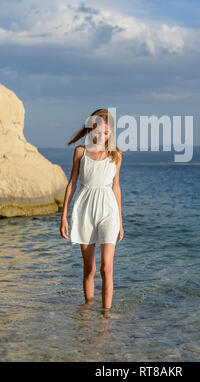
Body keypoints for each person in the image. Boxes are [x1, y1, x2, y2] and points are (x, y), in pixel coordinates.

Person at [59, 108, 124, 310]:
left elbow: (116, 187)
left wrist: (120, 222)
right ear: (91, 129)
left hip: (108, 212)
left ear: (110, 133)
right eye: (98, 131)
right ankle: (87, 313)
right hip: (84, 211)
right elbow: (72, 184)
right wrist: (64, 217)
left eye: (106, 133)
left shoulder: (116, 155)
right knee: (90, 268)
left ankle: (106, 317)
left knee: (106, 268)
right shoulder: (80, 152)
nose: (101, 136)